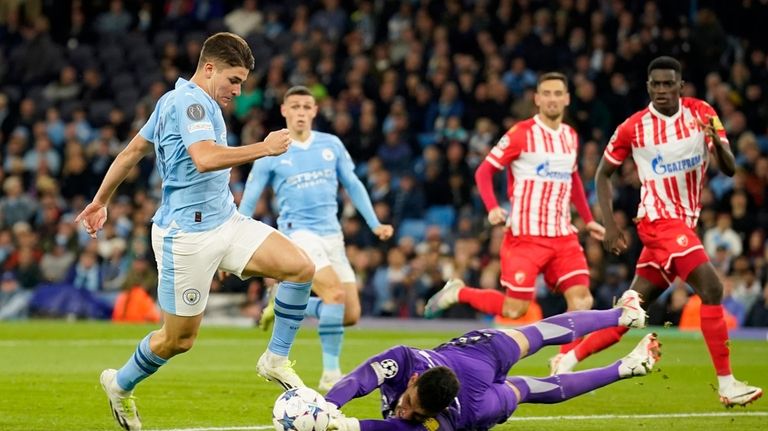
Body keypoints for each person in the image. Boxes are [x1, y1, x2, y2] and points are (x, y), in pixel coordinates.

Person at [76, 33, 316, 431]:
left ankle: (274, 359)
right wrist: (264, 147)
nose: (238, 91)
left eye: (241, 82)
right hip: (185, 238)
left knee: (300, 268)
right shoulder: (188, 103)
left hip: (226, 221)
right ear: (209, 69)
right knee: (178, 340)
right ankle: (119, 384)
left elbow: (132, 151)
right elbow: (204, 159)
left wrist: (101, 200)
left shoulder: (179, 100)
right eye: (233, 80)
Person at [559, 56, 762, 407]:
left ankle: (566, 360)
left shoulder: (702, 113)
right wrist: (609, 224)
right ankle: (727, 385)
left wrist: (718, 141)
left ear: (681, 86)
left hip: (683, 223)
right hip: (657, 221)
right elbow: (602, 174)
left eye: (670, 84)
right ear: (648, 87)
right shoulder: (634, 127)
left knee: (631, 313)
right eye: (656, 84)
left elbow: (729, 169)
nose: (663, 90)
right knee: (712, 288)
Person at [424, 72, 604, 373]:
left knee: (582, 300)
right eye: (546, 93)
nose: (552, 99)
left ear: (567, 98)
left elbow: (572, 179)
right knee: (514, 308)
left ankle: (563, 361)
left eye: (558, 93)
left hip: (562, 235)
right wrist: (493, 208)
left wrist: (589, 219)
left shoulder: (570, 136)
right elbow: (484, 172)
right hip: (525, 236)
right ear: (536, 98)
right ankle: (458, 292)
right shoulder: (521, 133)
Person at [321, 290, 657, 431]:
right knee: (532, 365)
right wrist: (326, 406)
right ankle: (623, 355)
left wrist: (340, 425)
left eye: (415, 412)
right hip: (475, 380)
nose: (405, 412)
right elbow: (360, 378)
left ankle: (621, 319)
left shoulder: (433, 421)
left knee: (532, 357)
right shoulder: (402, 359)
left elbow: (384, 428)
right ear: (412, 380)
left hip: (475, 384)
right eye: (410, 404)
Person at [239, 85, 394, 391]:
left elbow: (353, 183)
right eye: (294, 106)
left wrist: (374, 223)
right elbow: (251, 196)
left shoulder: (330, 144)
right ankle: (331, 375)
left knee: (349, 314)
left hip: (332, 236)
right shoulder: (272, 150)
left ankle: (280, 303)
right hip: (298, 235)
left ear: (315, 111)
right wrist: (237, 235)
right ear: (284, 111)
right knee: (334, 294)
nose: (300, 112)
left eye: (306, 107)